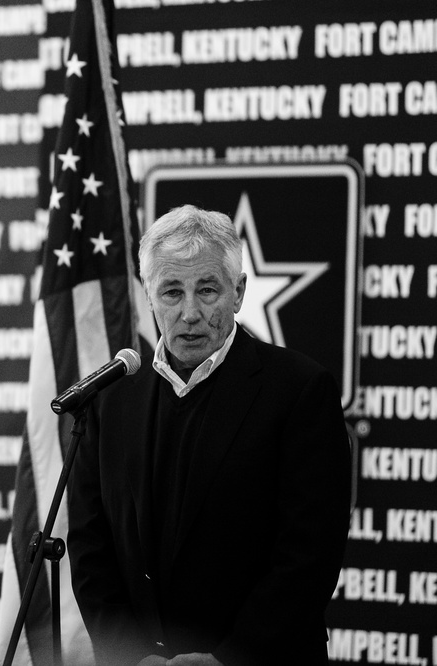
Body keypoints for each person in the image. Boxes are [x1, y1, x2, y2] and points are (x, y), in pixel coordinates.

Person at [67, 204, 351, 666]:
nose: (190, 313)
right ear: (148, 296)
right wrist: (131, 656)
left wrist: (226, 660)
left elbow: (309, 556)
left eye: (207, 290)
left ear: (237, 292)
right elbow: (89, 544)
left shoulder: (299, 390)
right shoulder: (112, 399)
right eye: (172, 292)